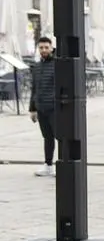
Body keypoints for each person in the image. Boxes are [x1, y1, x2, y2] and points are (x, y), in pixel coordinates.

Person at [29, 36, 56, 177]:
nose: (44, 50)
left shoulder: (58, 65)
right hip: (41, 108)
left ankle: (62, 163)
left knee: (60, 136)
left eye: (46, 47)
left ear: (51, 48)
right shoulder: (37, 67)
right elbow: (34, 89)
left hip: (54, 108)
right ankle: (48, 165)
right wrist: (32, 109)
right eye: (41, 47)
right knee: (47, 137)